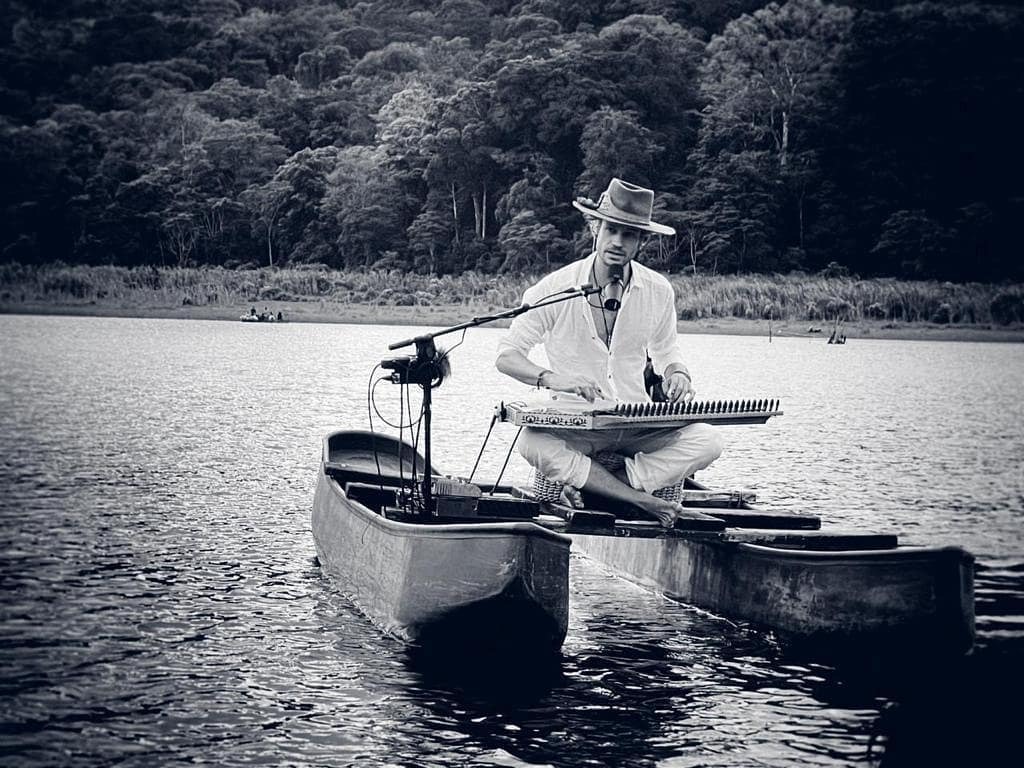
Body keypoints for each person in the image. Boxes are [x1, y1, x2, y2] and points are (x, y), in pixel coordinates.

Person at [495, 178, 723, 527]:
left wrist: (677, 374)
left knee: (708, 440)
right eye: (611, 230)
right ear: (595, 229)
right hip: (578, 423)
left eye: (628, 235)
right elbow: (507, 356)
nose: (617, 242)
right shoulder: (556, 288)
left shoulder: (658, 290)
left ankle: (605, 489)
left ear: (641, 241)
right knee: (531, 441)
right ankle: (638, 499)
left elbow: (666, 351)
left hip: (636, 422)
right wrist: (553, 379)